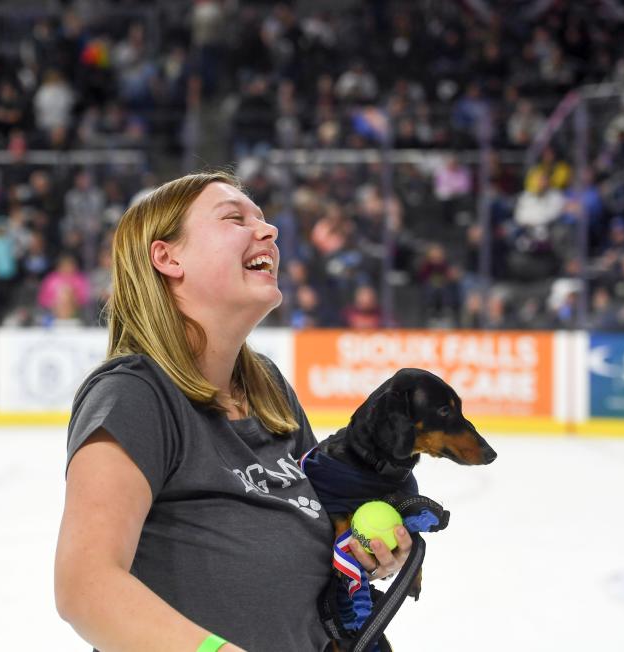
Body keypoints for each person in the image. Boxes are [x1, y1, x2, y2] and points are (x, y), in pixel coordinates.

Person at [54, 172, 414, 651]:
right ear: (168, 257)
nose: (269, 232)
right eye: (234, 218)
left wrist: (362, 534)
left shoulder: (267, 389)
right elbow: (85, 587)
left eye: (263, 220)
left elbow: (323, 526)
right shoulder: (135, 394)